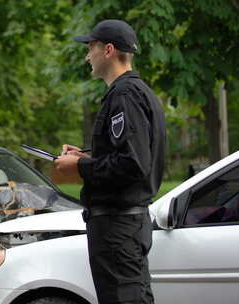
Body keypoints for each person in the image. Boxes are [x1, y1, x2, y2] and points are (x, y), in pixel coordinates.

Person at [54, 20, 166, 304]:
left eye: (90, 48)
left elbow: (132, 164)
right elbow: (131, 155)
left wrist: (78, 167)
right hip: (125, 227)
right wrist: (86, 156)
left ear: (108, 50)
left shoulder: (125, 95)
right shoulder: (137, 93)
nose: (86, 56)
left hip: (118, 228)